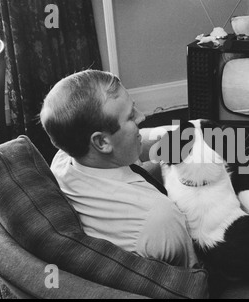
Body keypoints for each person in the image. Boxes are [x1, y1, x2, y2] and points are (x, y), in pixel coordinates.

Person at [40, 70, 198, 269]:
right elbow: (194, 275)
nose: (143, 116)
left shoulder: (64, 159)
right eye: (131, 116)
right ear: (102, 142)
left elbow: (137, 143)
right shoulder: (158, 217)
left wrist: (188, 133)